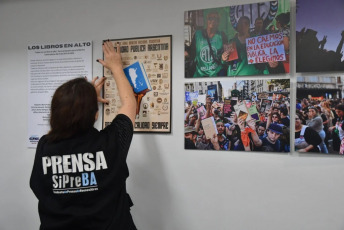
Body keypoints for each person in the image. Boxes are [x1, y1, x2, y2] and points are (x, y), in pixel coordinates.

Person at [30, 41, 138, 229]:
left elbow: (38, 187)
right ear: (96, 115)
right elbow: (129, 105)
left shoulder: (45, 146)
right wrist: (116, 68)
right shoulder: (111, 143)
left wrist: (83, 105)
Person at [185, 11, 227, 77]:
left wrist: (224, 59)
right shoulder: (198, 35)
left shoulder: (221, 36)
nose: (212, 21)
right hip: (200, 74)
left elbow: (225, 55)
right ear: (206, 20)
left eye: (215, 19)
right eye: (210, 18)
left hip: (216, 73)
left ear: (218, 22)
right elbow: (192, 53)